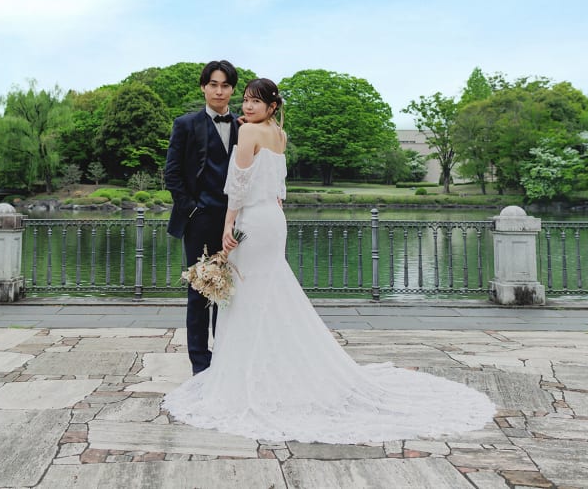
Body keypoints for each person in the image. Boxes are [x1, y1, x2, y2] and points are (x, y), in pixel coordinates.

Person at [163, 78, 495, 443]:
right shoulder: (279, 134)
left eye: (256, 101)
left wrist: (229, 226)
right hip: (274, 221)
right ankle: (273, 365)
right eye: (246, 100)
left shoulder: (247, 135)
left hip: (251, 222)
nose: (248, 106)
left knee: (245, 296)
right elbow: (279, 189)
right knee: (266, 291)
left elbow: (238, 187)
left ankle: (247, 373)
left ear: (272, 106)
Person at [164, 60, 240, 374]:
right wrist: (192, 209)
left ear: (233, 89)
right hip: (199, 220)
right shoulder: (185, 124)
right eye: (213, 84)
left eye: (225, 85)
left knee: (231, 292)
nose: (219, 91)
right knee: (199, 293)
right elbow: (172, 174)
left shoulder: (243, 125)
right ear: (203, 87)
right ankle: (200, 363)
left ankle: (225, 355)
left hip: (234, 224)